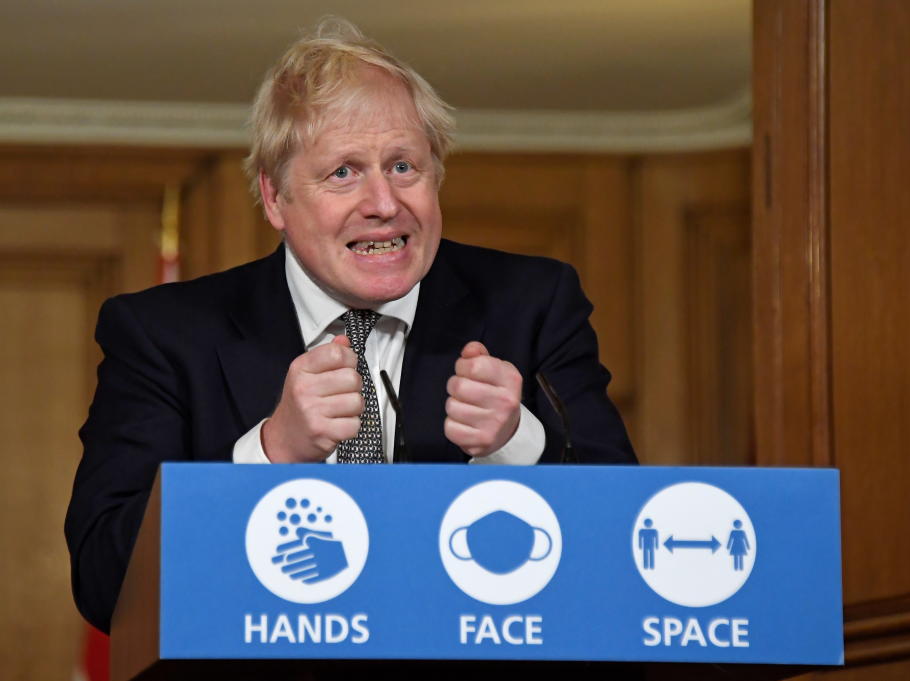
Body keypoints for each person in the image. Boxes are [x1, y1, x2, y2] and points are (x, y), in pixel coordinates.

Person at [65, 17, 635, 634]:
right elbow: (104, 581)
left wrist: (517, 443)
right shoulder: (163, 334)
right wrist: (270, 454)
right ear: (276, 198)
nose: (385, 204)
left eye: (403, 167)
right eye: (343, 173)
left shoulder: (533, 303)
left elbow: (628, 550)